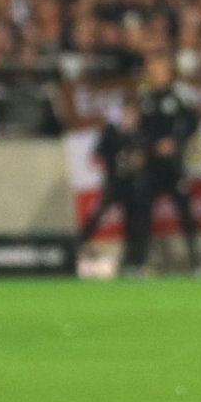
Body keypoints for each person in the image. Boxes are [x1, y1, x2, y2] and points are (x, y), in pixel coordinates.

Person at [128, 53, 201, 273]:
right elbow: (136, 129)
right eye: (155, 71)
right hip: (151, 165)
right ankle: (138, 262)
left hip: (173, 165)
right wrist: (149, 147)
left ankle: (196, 262)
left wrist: (175, 142)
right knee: (143, 213)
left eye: (162, 70)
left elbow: (192, 122)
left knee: (185, 212)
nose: (159, 74)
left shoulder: (180, 97)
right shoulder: (143, 98)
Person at [77, 101, 146, 274]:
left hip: (132, 185)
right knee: (98, 215)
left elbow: (146, 155)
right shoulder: (111, 131)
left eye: (134, 114)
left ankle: (131, 261)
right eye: (128, 113)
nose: (131, 117)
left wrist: (139, 160)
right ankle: (77, 247)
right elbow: (99, 152)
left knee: (133, 223)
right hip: (114, 183)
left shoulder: (140, 133)